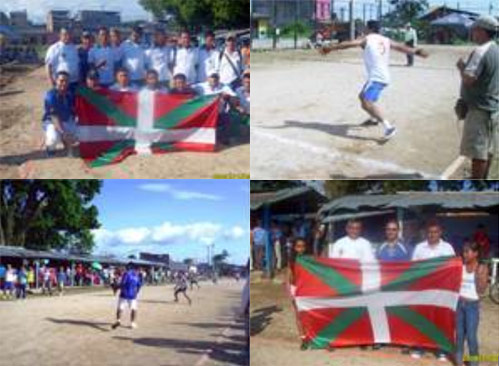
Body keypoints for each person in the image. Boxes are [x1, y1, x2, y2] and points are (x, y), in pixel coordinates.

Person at [319, 20, 429, 140]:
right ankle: (373, 119)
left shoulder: (368, 38)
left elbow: (349, 44)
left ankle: (388, 127)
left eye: (366, 27)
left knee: (367, 101)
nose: (365, 29)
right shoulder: (385, 39)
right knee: (362, 97)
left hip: (377, 77)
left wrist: (330, 48)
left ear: (369, 28)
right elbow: (401, 47)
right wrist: (417, 52)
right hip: (382, 76)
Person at [456, 15, 499, 179]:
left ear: (481, 31)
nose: (472, 33)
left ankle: (476, 184)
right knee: (488, 148)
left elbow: (469, 79)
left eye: (474, 30)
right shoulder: (496, 49)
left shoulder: (480, 51)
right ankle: (483, 180)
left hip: (479, 109)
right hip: (493, 107)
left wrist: (461, 67)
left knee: (478, 151)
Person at [411, 220, 456, 361]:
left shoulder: (448, 248)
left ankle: (441, 350)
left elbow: (453, 267)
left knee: (440, 320)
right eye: (430, 232)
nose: (432, 234)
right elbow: (413, 267)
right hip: (423, 290)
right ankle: (420, 347)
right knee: (422, 319)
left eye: (435, 232)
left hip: (441, 291)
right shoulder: (419, 248)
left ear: (440, 233)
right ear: (426, 233)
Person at [455, 242, 488, 366]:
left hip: (472, 306)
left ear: (475, 253)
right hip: (459, 304)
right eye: (463, 251)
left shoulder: (481, 267)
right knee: (459, 335)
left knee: (471, 336)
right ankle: (458, 361)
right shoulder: (460, 266)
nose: (464, 254)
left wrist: (479, 275)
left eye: (467, 251)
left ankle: (474, 362)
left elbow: (482, 290)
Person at [42, 71, 78, 157]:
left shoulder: (70, 93)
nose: (64, 83)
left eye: (66, 81)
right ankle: (49, 147)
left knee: (80, 135)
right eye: (61, 80)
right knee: (53, 140)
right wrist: (63, 133)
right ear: (56, 80)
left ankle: (65, 141)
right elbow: (54, 118)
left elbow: (74, 111)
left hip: (66, 120)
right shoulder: (50, 95)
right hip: (52, 122)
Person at [45, 28, 80, 92]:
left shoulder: (74, 48)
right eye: (65, 34)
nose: (67, 36)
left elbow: (77, 64)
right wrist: (52, 83)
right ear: (60, 35)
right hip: (61, 84)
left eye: (69, 34)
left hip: (74, 82)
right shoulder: (54, 48)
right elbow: (48, 66)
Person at [288, 237, 307, 348]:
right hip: (296, 289)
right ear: (294, 248)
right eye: (298, 246)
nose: (301, 249)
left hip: (307, 290)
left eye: (303, 246)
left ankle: (310, 336)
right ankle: (303, 339)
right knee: (299, 315)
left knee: (308, 314)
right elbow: (289, 278)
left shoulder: (309, 260)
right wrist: (291, 292)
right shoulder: (292, 261)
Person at [112, 262, 142, 329]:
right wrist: (136, 292)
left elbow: (123, 283)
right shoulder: (135, 275)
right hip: (132, 295)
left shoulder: (127, 274)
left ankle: (118, 320)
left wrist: (116, 287)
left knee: (120, 308)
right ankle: (132, 323)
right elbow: (139, 285)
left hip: (124, 294)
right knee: (133, 309)